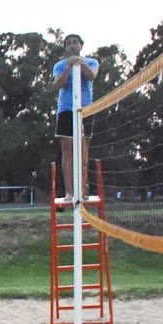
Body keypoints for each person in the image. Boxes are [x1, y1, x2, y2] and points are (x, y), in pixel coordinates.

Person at [53, 33, 99, 201]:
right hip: (66, 109)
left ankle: (82, 190)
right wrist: (69, 67)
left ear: (81, 45)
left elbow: (92, 76)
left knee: (83, 150)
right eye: (68, 43)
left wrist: (80, 63)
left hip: (85, 109)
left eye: (75, 43)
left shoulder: (92, 62)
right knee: (67, 150)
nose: (72, 46)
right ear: (65, 47)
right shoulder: (59, 65)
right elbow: (58, 84)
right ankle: (70, 191)